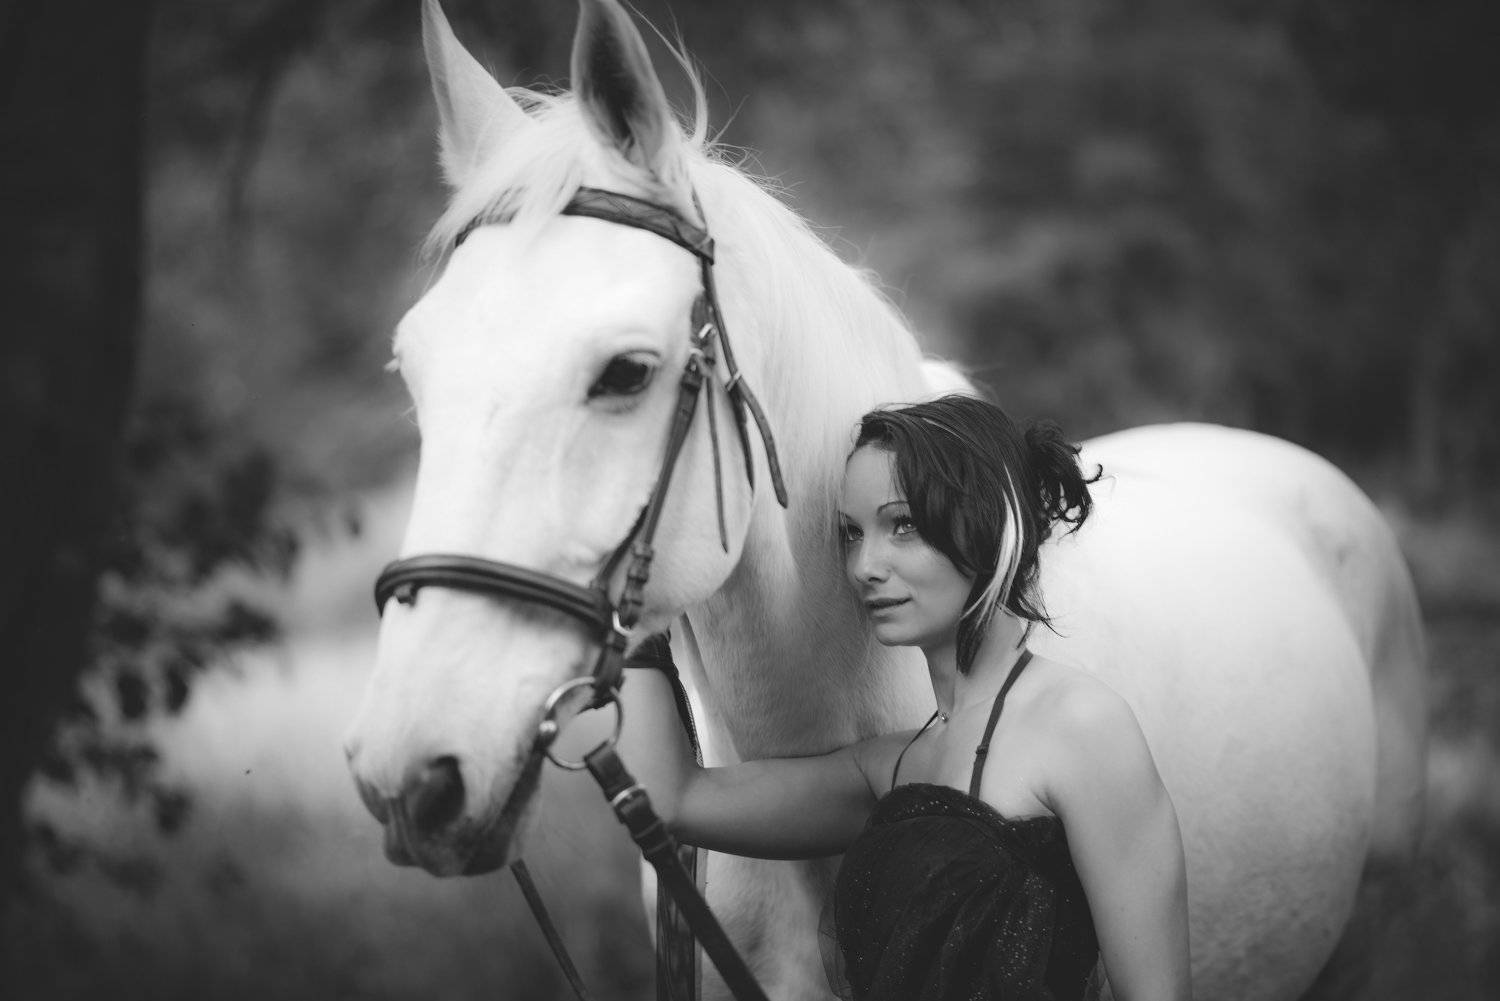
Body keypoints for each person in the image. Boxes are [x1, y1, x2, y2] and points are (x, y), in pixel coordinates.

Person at [618, 395, 1191, 1001]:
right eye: (850, 533)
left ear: (989, 523)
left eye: (904, 525)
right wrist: (636, 604)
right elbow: (672, 801)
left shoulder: (1081, 725)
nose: (865, 564)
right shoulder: (889, 770)